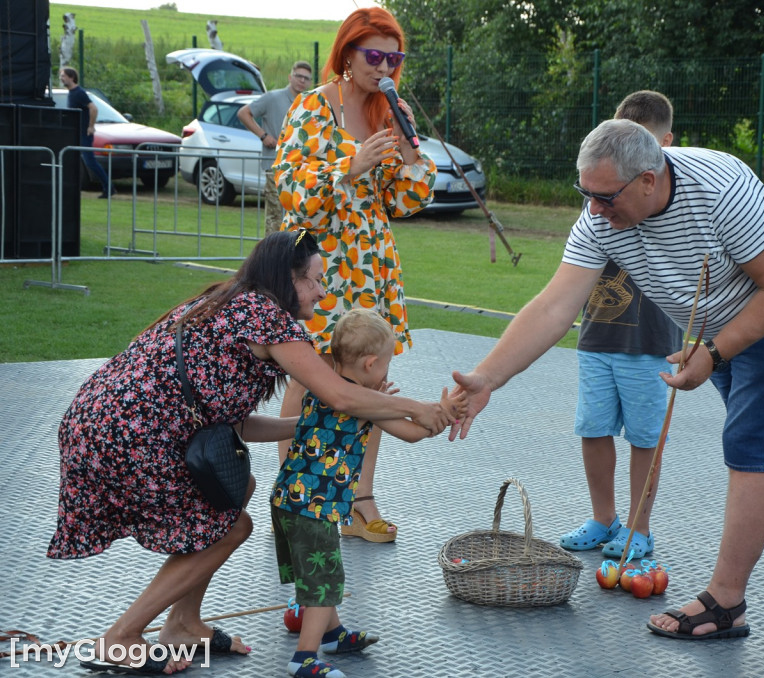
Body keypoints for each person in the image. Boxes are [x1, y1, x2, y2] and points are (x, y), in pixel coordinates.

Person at [450, 119, 764, 640]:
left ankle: (726, 603)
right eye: (586, 194)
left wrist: (714, 351)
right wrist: (488, 377)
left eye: (605, 197)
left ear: (649, 179)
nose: (594, 209)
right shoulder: (601, 214)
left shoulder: (721, 190)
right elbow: (556, 306)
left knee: (752, 443)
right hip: (715, 322)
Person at [47, 230, 457, 675]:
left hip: (104, 422)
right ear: (287, 280)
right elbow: (341, 395)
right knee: (233, 525)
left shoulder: (229, 300)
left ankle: (183, 623)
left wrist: (310, 427)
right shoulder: (265, 315)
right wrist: (420, 408)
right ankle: (120, 638)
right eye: (315, 280)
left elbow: (235, 422)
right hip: (128, 434)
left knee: (239, 489)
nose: (323, 291)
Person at [273, 7, 437, 544]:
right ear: (347, 53)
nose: (385, 66)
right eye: (375, 55)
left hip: (371, 264)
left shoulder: (387, 111)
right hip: (320, 264)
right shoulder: (312, 108)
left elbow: (407, 201)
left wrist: (411, 151)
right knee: (312, 375)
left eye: (395, 57)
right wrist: (351, 165)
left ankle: (359, 496)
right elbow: (292, 190)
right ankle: (299, 496)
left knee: (366, 377)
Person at [272, 309, 465, 678]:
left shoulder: (324, 385)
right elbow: (412, 433)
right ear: (372, 362)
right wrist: (444, 414)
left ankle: (333, 634)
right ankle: (304, 658)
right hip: (314, 507)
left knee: (321, 575)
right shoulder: (363, 404)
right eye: (388, 362)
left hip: (289, 499)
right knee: (325, 584)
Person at [560, 91, 683, 561]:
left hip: (650, 344)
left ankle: (638, 529)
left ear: (664, 144)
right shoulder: (596, 205)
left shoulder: (674, 205)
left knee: (645, 438)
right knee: (593, 429)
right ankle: (602, 518)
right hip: (598, 337)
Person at [236, 60, 314, 237]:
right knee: (275, 216)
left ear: (310, 82)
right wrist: (263, 135)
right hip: (275, 168)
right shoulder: (273, 97)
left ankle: (294, 258)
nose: (302, 80)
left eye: (306, 78)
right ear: (290, 77)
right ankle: (272, 258)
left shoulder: (309, 103)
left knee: (299, 217)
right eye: (298, 76)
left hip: (302, 169)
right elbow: (243, 113)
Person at [59, 66, 114, 198]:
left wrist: (91, 126)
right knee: (72, 159)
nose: (61, 78)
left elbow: (93, 108)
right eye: (61, 76)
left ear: (71, 77)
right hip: (76, 133)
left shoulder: (79, 93)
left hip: (84, 133)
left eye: (64, 76)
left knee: (90, 161)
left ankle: (109, 187)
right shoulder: (71, 93)